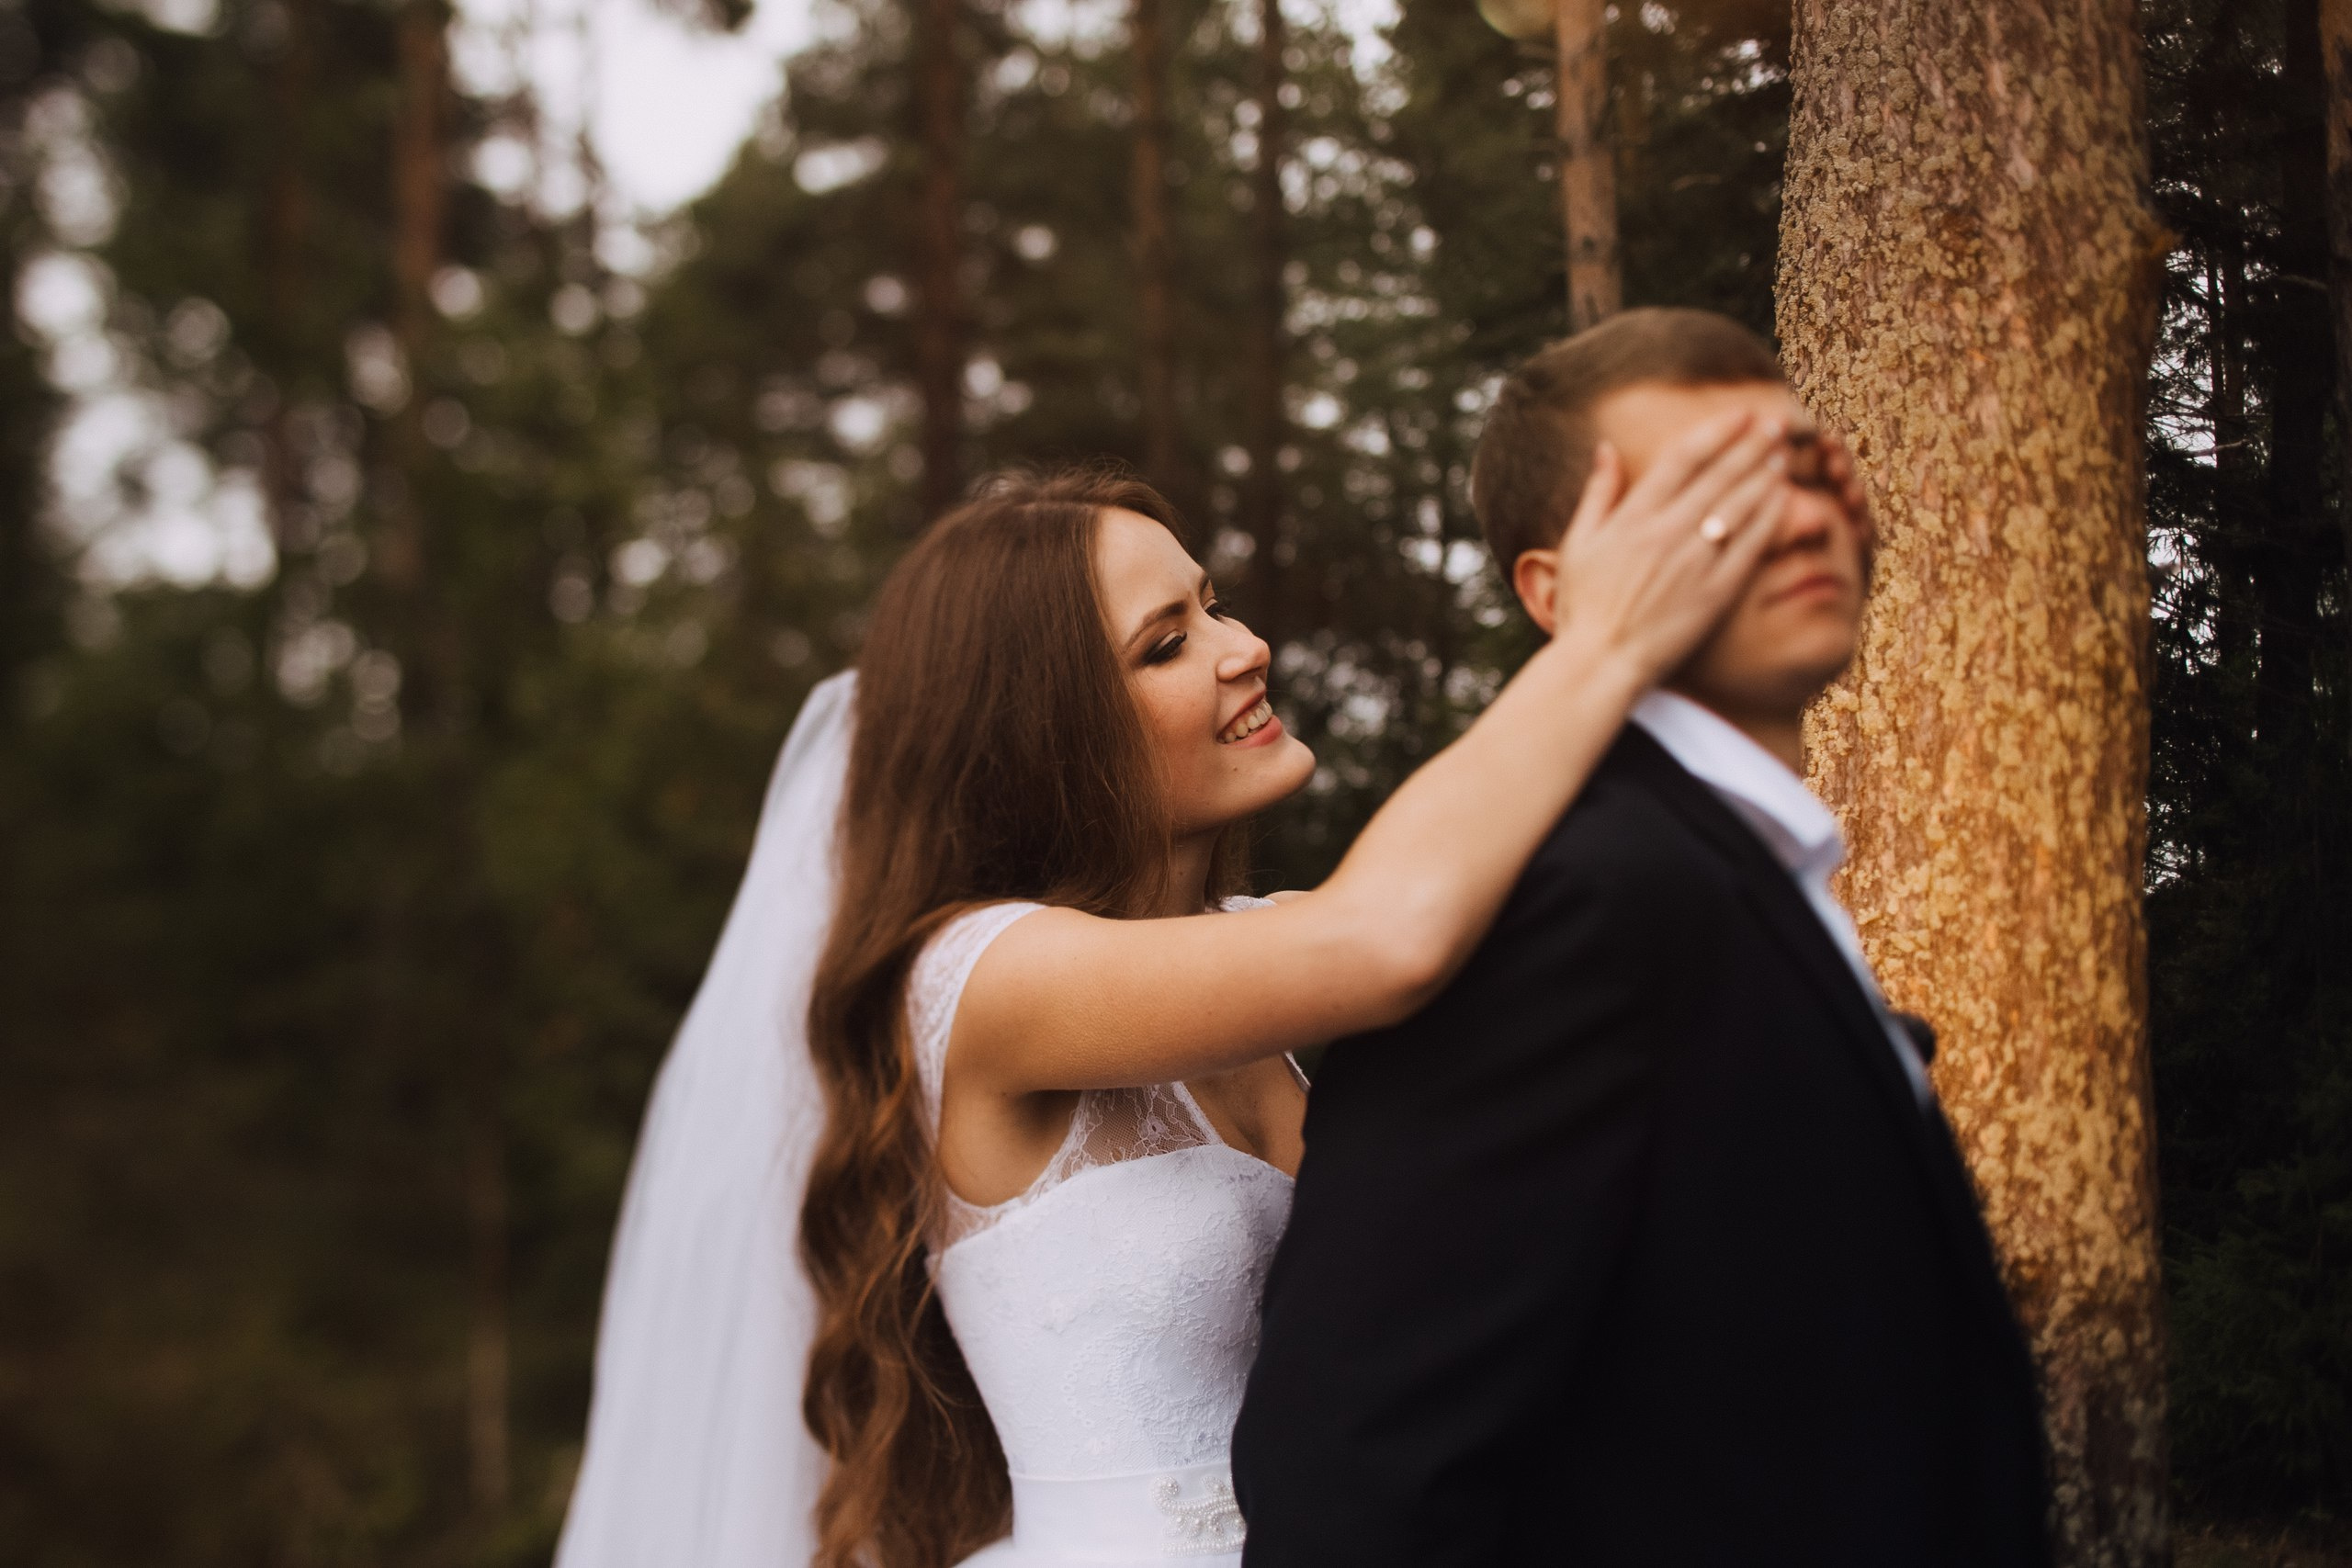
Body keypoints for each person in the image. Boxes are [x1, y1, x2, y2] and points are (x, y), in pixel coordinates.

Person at [556, 396, 1843, 1567]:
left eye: (1214, 607)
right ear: (1046, 731)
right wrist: (1608, 640)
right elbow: (1393, 936)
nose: (1247, 648)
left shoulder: (1259, 953)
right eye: (1168, 644)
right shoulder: (980, 980)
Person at [1229, 307, 2052, 1566]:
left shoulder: (1747, 877)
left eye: (1799, 464)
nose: (1791, 517)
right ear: (1558, 592)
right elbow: (1354, 1480)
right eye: (1701, 500)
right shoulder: (1571, 897)